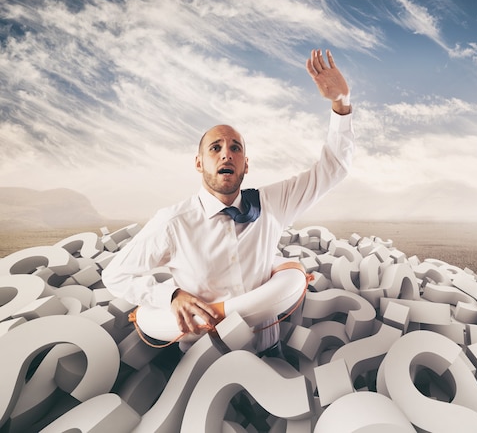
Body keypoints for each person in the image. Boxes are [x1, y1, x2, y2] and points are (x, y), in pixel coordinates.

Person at [102, 49, 354, 356]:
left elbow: (333, 169)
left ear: (245, 165)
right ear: (199, 163)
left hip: (267, 350)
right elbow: (115, 274)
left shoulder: (272, 203)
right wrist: (170, 295)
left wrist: (341, 103)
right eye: (215, 148)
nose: (226, 154)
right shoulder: (173, 222)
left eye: (235, 148)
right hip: (202, 359)